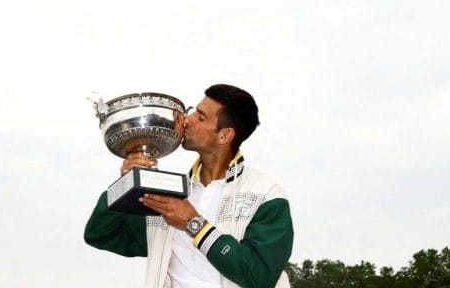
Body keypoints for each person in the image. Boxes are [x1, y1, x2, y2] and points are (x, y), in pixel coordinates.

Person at [84, 84, 294, 288]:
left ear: (225, 135)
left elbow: (259, 276)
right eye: (193, 111)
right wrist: (125, 182)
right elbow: (101, 234)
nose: (187, 119)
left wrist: (195, 225)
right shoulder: (168, 193)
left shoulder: (266, 195)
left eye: (200, 117)